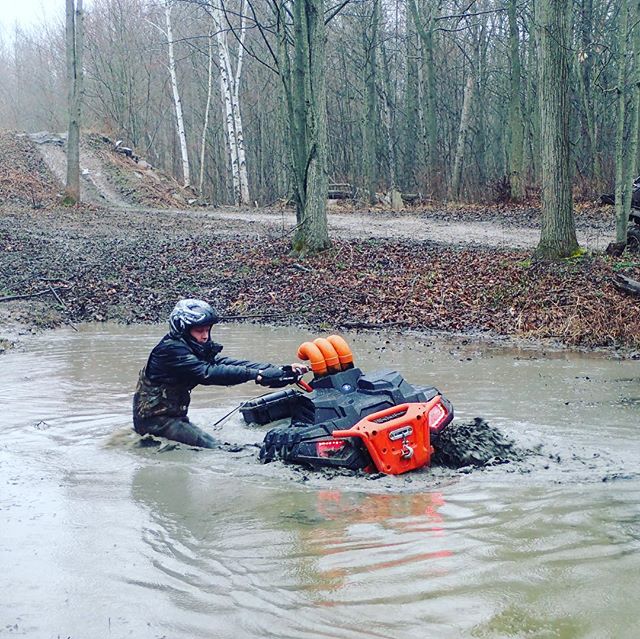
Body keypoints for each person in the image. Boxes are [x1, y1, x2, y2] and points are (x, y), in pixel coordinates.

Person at [133, 298, 307, 448]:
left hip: (173, 418)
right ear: (183, 330)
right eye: (199, 331)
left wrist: (275, 369)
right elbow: (207, 373)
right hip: (156, 422)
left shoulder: (191, 345)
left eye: (207, 330)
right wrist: (256, 375)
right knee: (217, 449)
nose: (205, 336)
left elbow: (222, 362)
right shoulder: (171, 350)